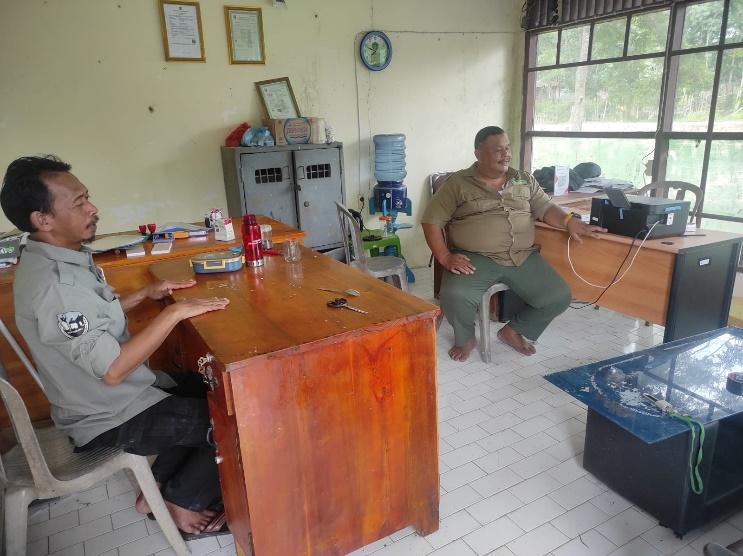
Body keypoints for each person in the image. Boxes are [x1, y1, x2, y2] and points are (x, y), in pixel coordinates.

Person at [1, 155, 230, 536]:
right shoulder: (56, 285)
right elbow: (113, 370)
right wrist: (174, 313)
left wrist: (144, 294)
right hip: (108, 417)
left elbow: (91, 317)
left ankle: (156, 489)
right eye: (79, 202)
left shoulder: (59, 257)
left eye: (87, 197)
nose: (93, 208)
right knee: (232, 420)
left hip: (115, 396)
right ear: (43, 219)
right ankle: (182, 500)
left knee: (209, 387)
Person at [422, 126, 606, 361]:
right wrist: (445, 256)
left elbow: (546, 208)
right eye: (498, 150)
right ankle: (465, 337)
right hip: (476, 257)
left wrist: (569, 221)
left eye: (507, 149)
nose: (506, 155)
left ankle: (513, 331)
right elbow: (431, 221)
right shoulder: (457, 183)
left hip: (522, 255)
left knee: (558, 296)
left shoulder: (524, 179)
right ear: (478, 153)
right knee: (455, 294)